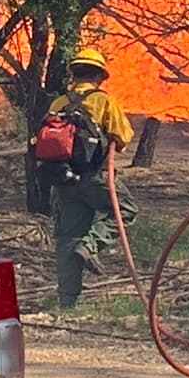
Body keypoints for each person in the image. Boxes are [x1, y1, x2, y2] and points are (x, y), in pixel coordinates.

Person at [46, 47, 138, 309]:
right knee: (127, 209)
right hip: (93, 177)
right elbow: (122, 137)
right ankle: (90, 245)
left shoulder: (58, 103)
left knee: (67, 238)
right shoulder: (103, 101)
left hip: (64, 181)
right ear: (99, 76)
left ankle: (67, 303)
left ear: (74, 74)